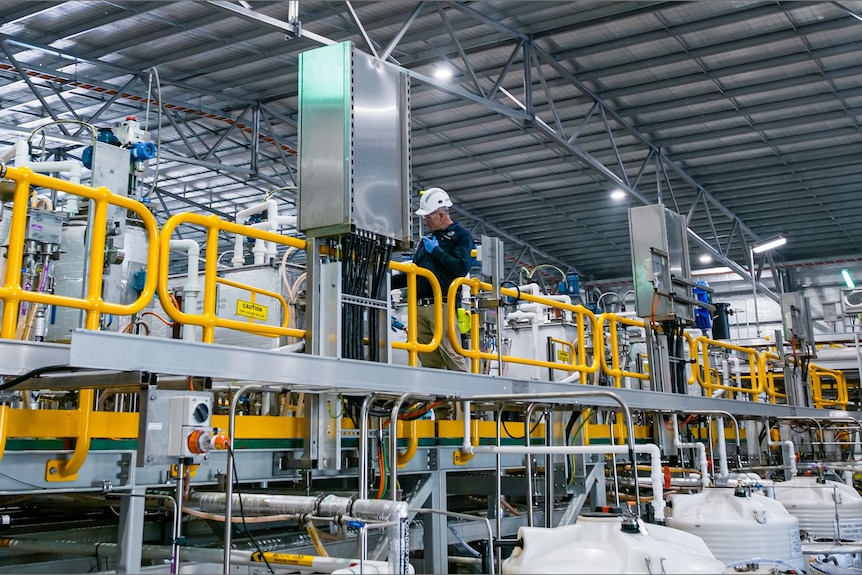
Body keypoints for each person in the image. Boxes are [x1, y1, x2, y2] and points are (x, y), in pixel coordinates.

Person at [392, 187, 473, 371]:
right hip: (419, 306)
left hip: (442, 303)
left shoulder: (460, 237)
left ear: (442, 214)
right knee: (426, 356)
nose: (426, 220)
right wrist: (386, 282)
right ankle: (437, 398)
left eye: (428, 216)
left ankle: (465, 398)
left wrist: (436, 251)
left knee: (450, 352)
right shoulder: (426, 241)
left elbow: (460, 268)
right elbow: (416, 272)